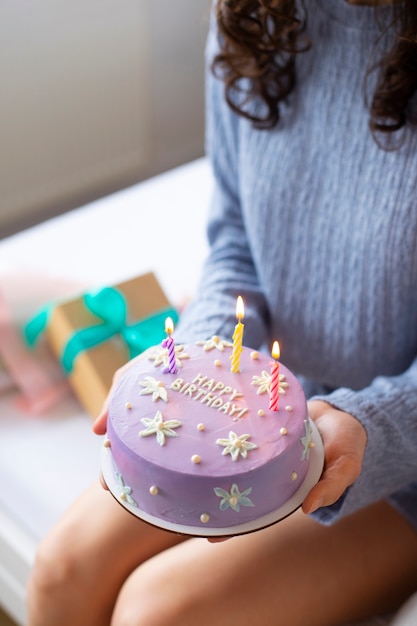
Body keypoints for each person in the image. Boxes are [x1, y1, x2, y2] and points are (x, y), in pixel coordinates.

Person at [27, 1, 417, 625]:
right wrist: (201, 371)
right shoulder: (254, 15)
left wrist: (369, 426)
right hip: (273, 423)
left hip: (404, 467)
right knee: (62, 568)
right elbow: (236, 236)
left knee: (158, 614)